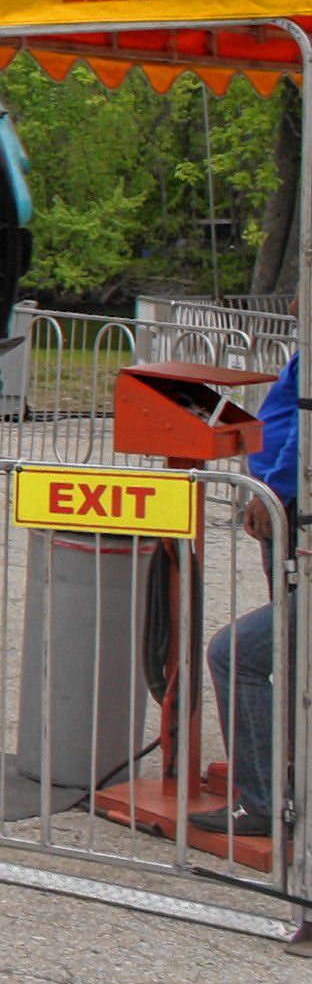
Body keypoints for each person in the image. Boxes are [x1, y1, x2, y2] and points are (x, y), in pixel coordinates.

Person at [197, 351, 298, 841]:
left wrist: (272, 489)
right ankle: (288, 779)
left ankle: (262, 802)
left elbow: (305, 428)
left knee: (237, 654)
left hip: (292, 508)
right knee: (290, 654)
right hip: (288, 511)